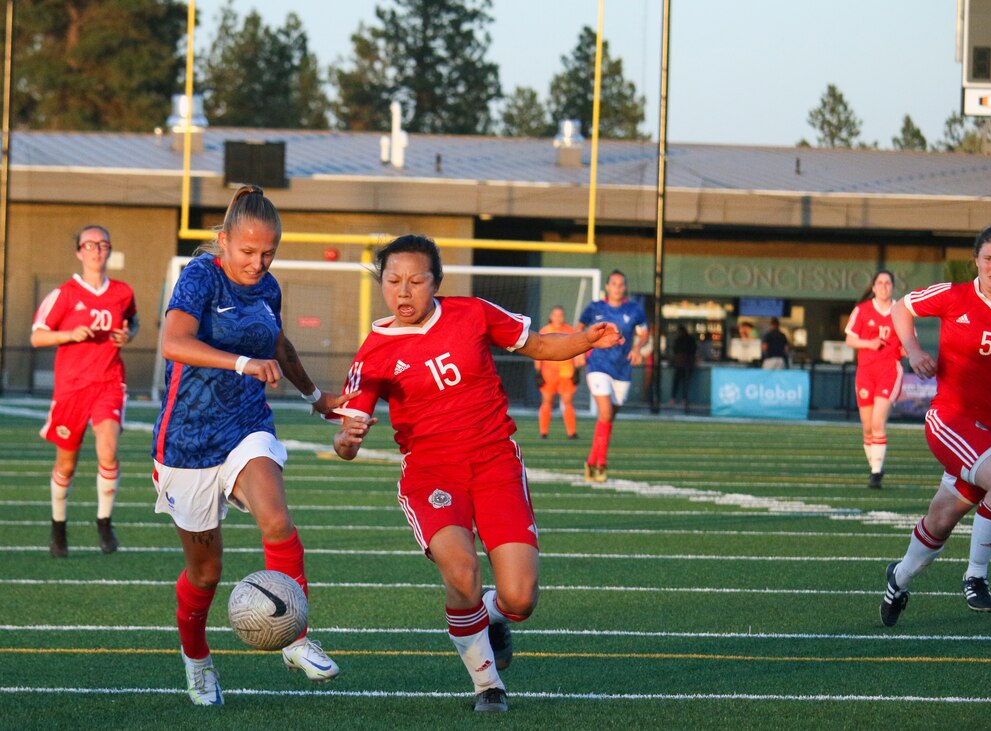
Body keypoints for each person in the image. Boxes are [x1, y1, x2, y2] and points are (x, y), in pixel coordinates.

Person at [331, 235, 621, 713]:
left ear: (437, 283)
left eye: (417, 281)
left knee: (520, 598)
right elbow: (347, 437)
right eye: (393, 281)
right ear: (381, 283)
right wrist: (346, 441)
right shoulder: (373, 353)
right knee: (462, 570)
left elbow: (544, 345)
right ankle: (487, 686)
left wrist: (585, 340)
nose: (404, 292)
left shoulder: (471, 312)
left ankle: (491, 616)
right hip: (431, 474)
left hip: (495, 464)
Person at [152, 186, 355, 706]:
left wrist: (315, 396)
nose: (257, 262)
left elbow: (279, 344)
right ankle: (197, 661)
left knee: (277, 519)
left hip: (246, 424)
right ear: (223, 241)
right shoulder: (200, 275)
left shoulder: (268, 286)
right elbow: (173, 342)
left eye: (268, 254)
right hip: (187, 440)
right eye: (247, 251)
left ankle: (297, 638)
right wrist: (240, 363)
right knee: (206, 572)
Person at [879, 225, 991, 628]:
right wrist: (913, 351)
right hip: (951, 417)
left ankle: (898, 578)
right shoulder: (954, 294)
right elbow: (901, 308)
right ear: (975, 260)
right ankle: (975, 576)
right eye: (989, 259)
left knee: (942, 519)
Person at [31, 225, 138, 558]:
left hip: (108, 382)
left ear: (109, 250)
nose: (96, 250)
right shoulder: (64, 294)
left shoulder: (123, 291)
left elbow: (131, 322)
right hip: (71, 388)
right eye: (89, 245)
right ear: (79, 251)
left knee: (108, 451)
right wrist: (69, 335)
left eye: (102, 244)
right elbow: (37, 336)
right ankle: (58, 526)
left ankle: (104, 521)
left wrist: (127, 336)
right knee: (66, 465)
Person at [577, 269, 648, 483]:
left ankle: (590, 461)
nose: (617, 287)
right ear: (607, 287)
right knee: (605, 412)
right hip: (598, 365)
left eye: (621, 284)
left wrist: (637, 348)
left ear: (624, 287)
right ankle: (601, 464)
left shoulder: (635, 309)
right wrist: (579, 351)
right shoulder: (595, 307)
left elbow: (644, 334)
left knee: (608, 417)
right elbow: (578, 328)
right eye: (613, 284)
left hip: (623, 369)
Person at [844, 270, 905, 489]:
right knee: (867, 426)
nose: (884, 286)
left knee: (879, 421)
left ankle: (876, 472)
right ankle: (874, 465)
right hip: (865, 371)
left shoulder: (901, 311)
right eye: (880, 283)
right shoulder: (862, 310)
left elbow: (909, 341)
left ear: (893, 287)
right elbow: (850, 339)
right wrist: (869, 344)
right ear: (873, 287)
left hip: (889, 370)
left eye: (888, 283)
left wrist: (908, 350)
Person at [534, 305, 582, 439]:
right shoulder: (544, 331)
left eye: (560, 315)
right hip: (548, 373)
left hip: (566, 373)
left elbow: (577, 351)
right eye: (555, 315)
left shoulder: (570, 331)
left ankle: (571, 432)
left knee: (567, 401)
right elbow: (538, 352)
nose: (558, 317)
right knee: (547, 401)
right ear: (551, 316)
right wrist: (538, 371)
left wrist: (577, 370)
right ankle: (543, 432)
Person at [669, 325, 698, 411]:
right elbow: (694, 350)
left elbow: (675, 350)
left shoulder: (679, 340)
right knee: (685, 382)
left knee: (677, 382)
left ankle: (673, 399)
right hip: (688, 363)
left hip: (680, 363)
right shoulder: (690, 340)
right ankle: (684, 399)